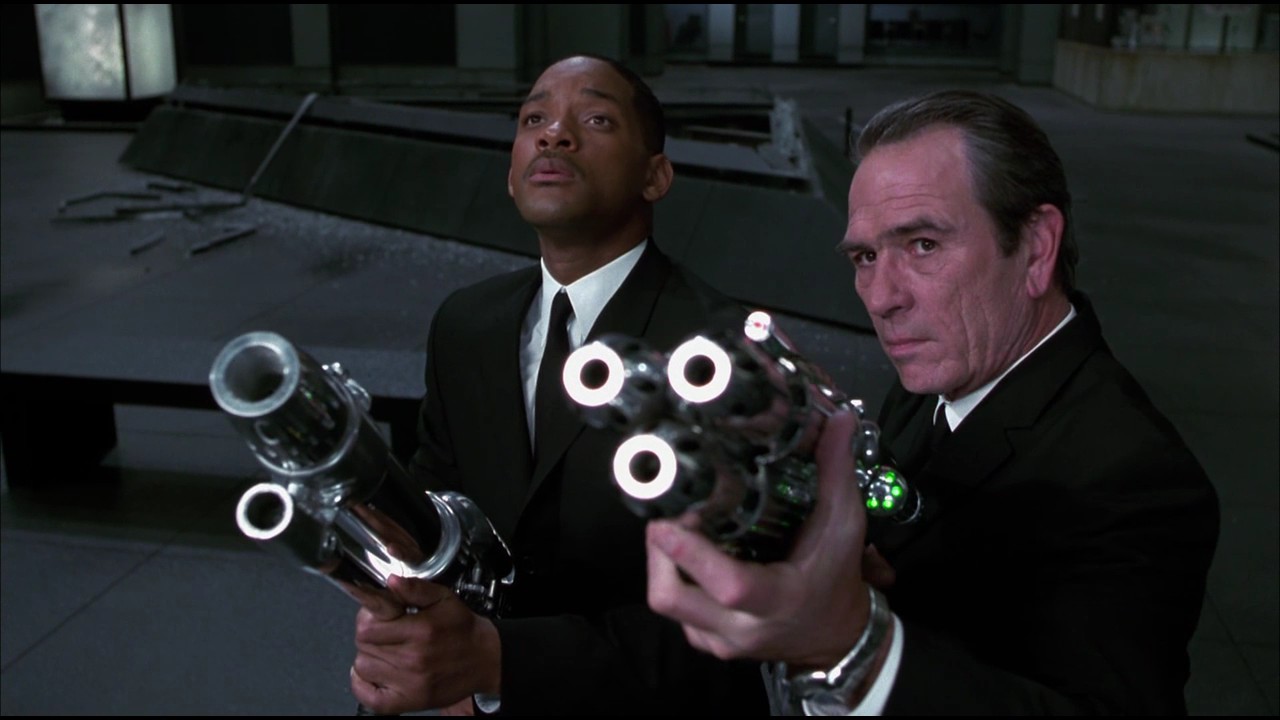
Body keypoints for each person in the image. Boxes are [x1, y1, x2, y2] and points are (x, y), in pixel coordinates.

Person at [643, 90, 1220, 715]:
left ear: (1035, 248)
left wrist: (852, 648)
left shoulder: (1135, 480)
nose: (881, 298)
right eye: (865, 257)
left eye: (923, 245)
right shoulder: (938, 385)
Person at [346, 54, 771, 716]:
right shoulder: (466, 324)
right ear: (511, 174)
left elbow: (740, 614)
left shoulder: (720, 351)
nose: (554, 134)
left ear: (655, 176)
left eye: (595, 119)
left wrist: (494, 662)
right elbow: (438, 508)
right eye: (533, 119)